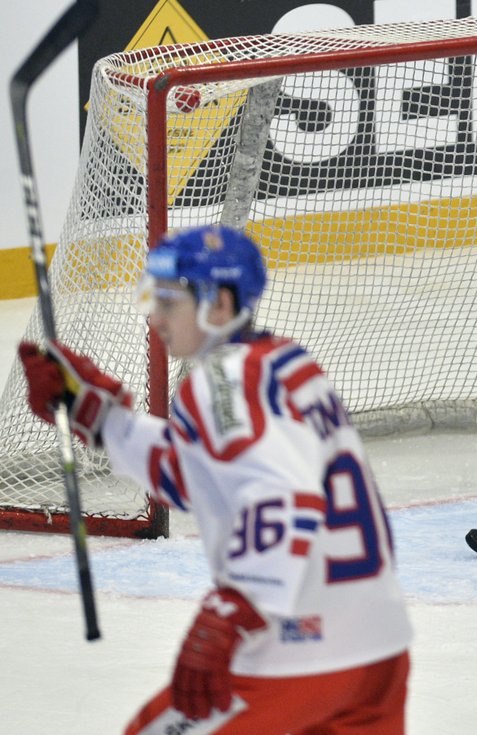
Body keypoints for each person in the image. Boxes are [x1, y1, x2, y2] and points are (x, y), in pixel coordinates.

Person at [20, 225, 412, 733]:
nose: (154, 316)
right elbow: (201, 479)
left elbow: (284, 495)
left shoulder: (223, 379)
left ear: (219, 306)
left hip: (297, 647)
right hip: (378, 645)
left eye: (169, 301)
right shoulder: (284, 362)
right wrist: (100, 416)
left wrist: (231, 609)